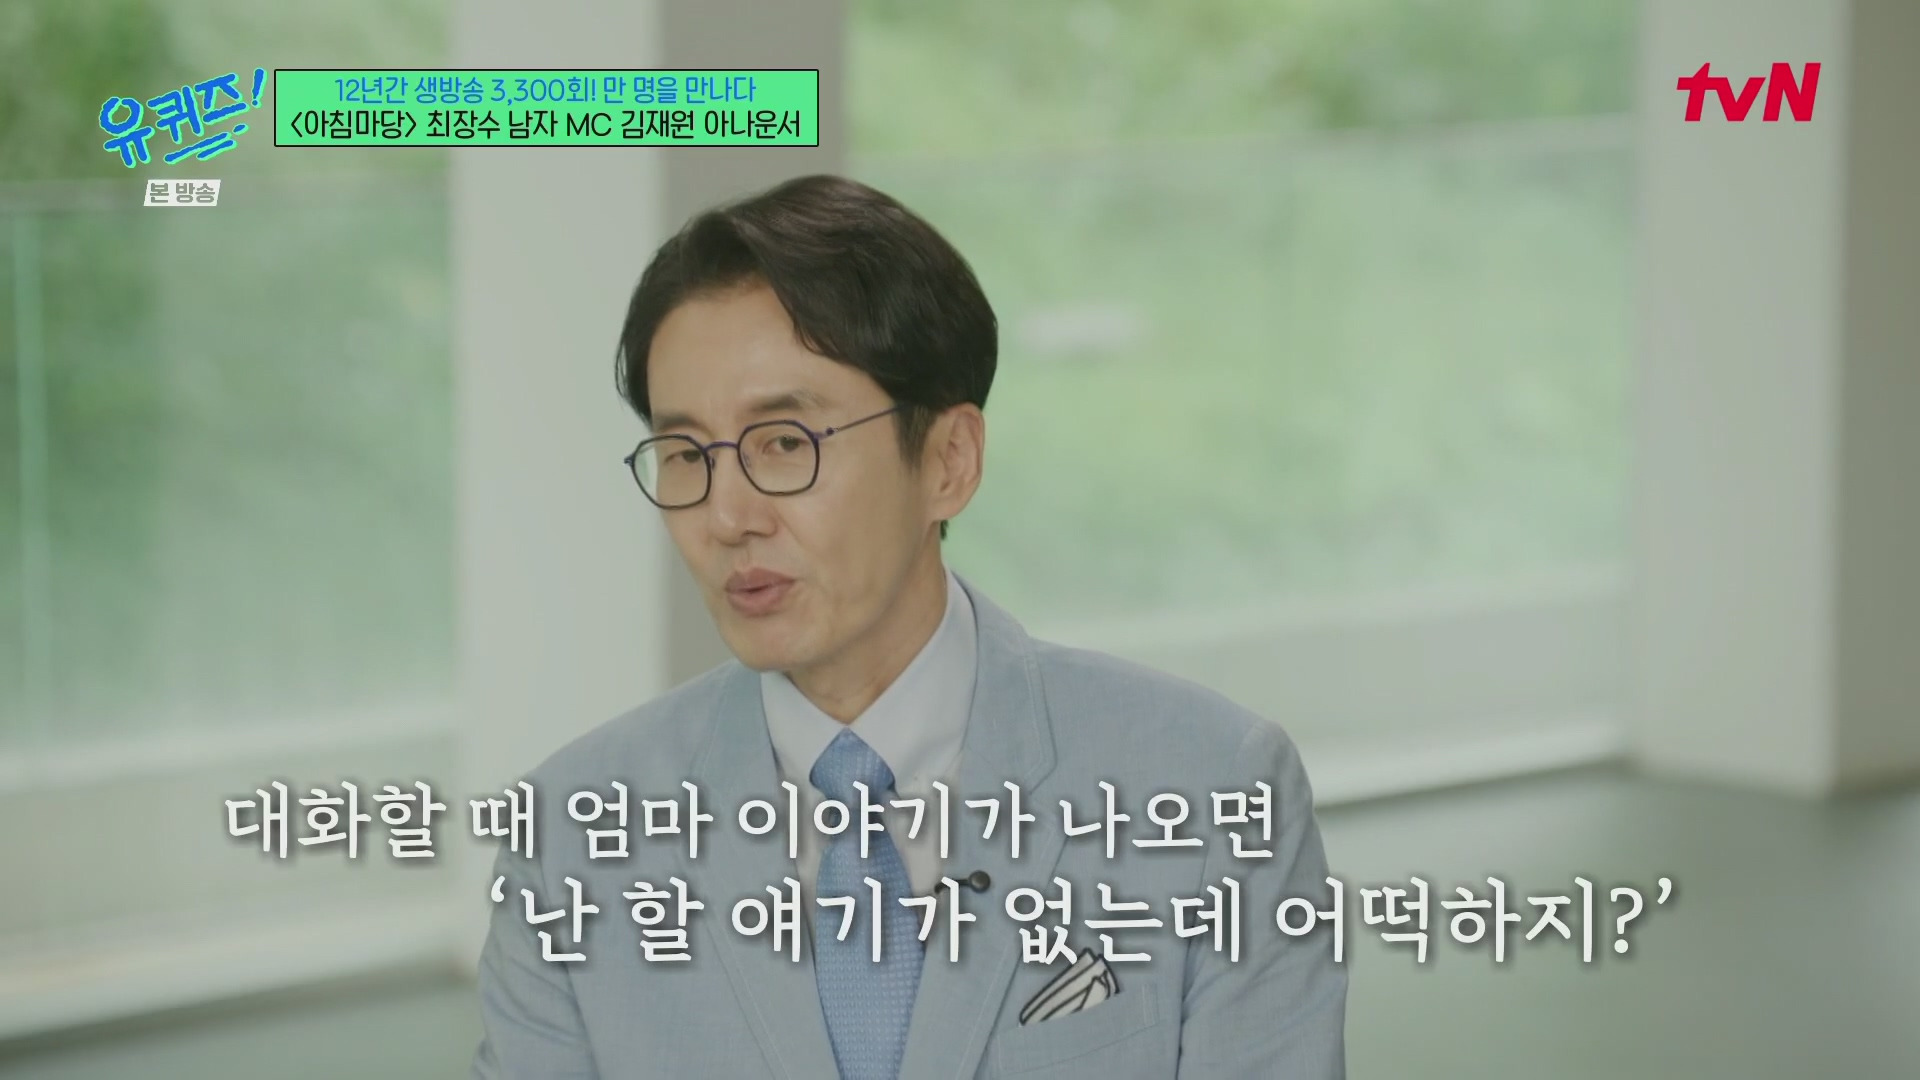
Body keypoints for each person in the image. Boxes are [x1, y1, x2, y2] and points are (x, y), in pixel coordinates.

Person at [470, 174, 1347, 1079]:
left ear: (948, 462)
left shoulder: (1210, 790)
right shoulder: (570, 843)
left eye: (785, 444)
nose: (727, 516)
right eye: (686, 454)